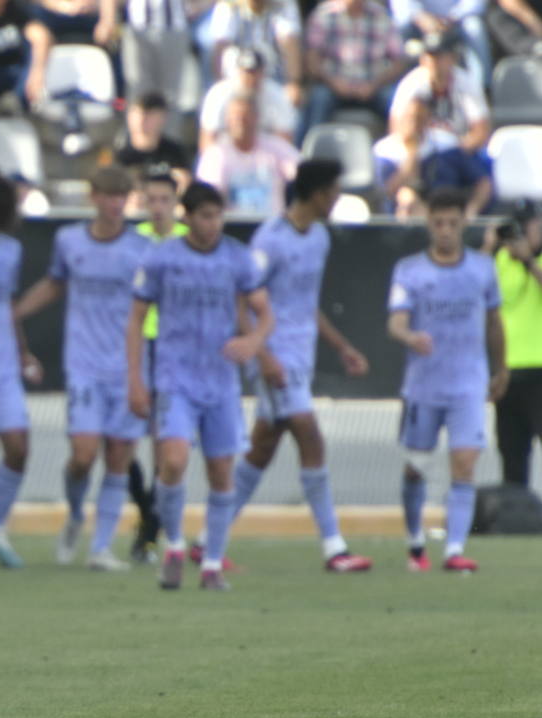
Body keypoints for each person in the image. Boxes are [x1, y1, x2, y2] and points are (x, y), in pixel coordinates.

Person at [226, 159, 375, 572]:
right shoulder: (270, 239)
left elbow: (306, 305)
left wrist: (342, 346)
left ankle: (208, 540)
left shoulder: (319, 239)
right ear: (315, 193)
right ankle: (334, 547)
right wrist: (263, 355)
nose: (337, 199)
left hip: (300, 356)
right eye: (333, 191)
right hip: (275, 357)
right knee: (310, 436)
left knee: (261, 450)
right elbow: (242, 301)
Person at [127, 180, 273, 590]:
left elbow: (265, 313)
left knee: (221, 472)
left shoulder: (238, 258)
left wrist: (253, 341)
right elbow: (136, 318)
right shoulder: (162, 258)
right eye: (204, 216)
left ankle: (211, 564)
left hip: (221, 380)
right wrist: (135, 379)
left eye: (217, 215)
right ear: (187, 217)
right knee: (172, 461)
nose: (212, 224)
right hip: (174, 376)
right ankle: (173, 544)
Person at [15, 167, 151, 569]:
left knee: (120, 455)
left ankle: (101, 549)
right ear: (94, 197)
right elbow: (55, 283)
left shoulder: (142, 247)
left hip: (127, 366)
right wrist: (17, 312)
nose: (116, 205)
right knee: (83, 455)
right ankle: (75, 514)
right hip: (85, 365)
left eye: (122, 197)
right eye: (110, 196)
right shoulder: (70, 241)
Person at [387, 187, 508, 571]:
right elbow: (396, 321)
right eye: (438, 223)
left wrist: (500, 367)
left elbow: (493, 322)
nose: (445, 231)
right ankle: (415, 543)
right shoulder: (409, 270)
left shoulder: (482, 268)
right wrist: (409, 336)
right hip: (423, 385)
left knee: (465, 462)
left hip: (467, 383)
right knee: (416, 467)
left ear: (463, 224)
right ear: (428, 224)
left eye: (453, 223)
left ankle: (454, 550)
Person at [126, 167, 188, 563]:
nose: (159, 207)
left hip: (175, 348)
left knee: (164, 445)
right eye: (153, 200)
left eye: (166, 199)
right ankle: (148, 518)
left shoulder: (188, 242)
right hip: (138, 345)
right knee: (125, 441)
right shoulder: (133, 243)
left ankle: (150, 529)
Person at [489, 202, 542, 488]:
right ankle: (517, 513)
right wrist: (489, 247)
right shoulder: (502, 260)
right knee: (511, 448)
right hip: (509, 369)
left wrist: (530, 261)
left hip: (540, 367)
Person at [300, 0, 405, 143]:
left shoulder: (381, 15)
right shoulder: (324, 15)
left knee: (396, 102)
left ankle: (397, 154)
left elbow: (398, 62)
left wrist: (374, 85)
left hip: (373, 87)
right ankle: (306, 154)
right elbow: (312, 59)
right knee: (318, 98)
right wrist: (334, 82)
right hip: (334, 86)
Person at [373, 96, 492, 219]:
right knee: (407, 197)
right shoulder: (385, 151)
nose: (414, 124)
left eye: (419, 119)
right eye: (409, 118)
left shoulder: (447, 146)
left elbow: (483, 183)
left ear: (428, 120)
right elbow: (389, 191)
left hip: (448, 212)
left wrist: (470, 212)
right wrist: (413, 152)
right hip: (405, 223)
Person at [387, 29, 491, 158]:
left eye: (439, 56)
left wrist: (457, 153)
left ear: (453, 58)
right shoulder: (411, 84)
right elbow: (397, 129)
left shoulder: (466, 83)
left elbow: (481, 131)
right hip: (421, 153)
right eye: (429, 55)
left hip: (459, 150)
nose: (433, 61)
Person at [195, 90, 299, 218]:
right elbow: (210, 195)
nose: (241, 123)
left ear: (257, 118)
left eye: (246, 116)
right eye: (236, 117)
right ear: (227, 120)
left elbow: (301, 174)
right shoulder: (216, 154)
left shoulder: (276, 148)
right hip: (231, 226)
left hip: (272, 226)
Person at [198, 47, 296, 151]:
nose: (251, 78)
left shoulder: (277, 95)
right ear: (239, 71)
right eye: (246, 72)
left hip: (265, 159)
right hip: (227, 155)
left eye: (255, 72)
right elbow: (208, 139)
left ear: (263, 73)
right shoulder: (219, 94)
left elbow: (285, 141)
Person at [208, 0, 303, 98]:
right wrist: (219, 85)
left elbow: (290, 42)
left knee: (292, 97)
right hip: (236, 80)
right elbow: (220, 48)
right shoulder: (227, 5)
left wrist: (293, 82)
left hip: (271, 80)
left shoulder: (283, 4)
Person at [116, 92, 192, 187]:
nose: (142, 120)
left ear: (163, 117)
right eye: (137, 113)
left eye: (149, 115)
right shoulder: (117, 152)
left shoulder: (175, 152)